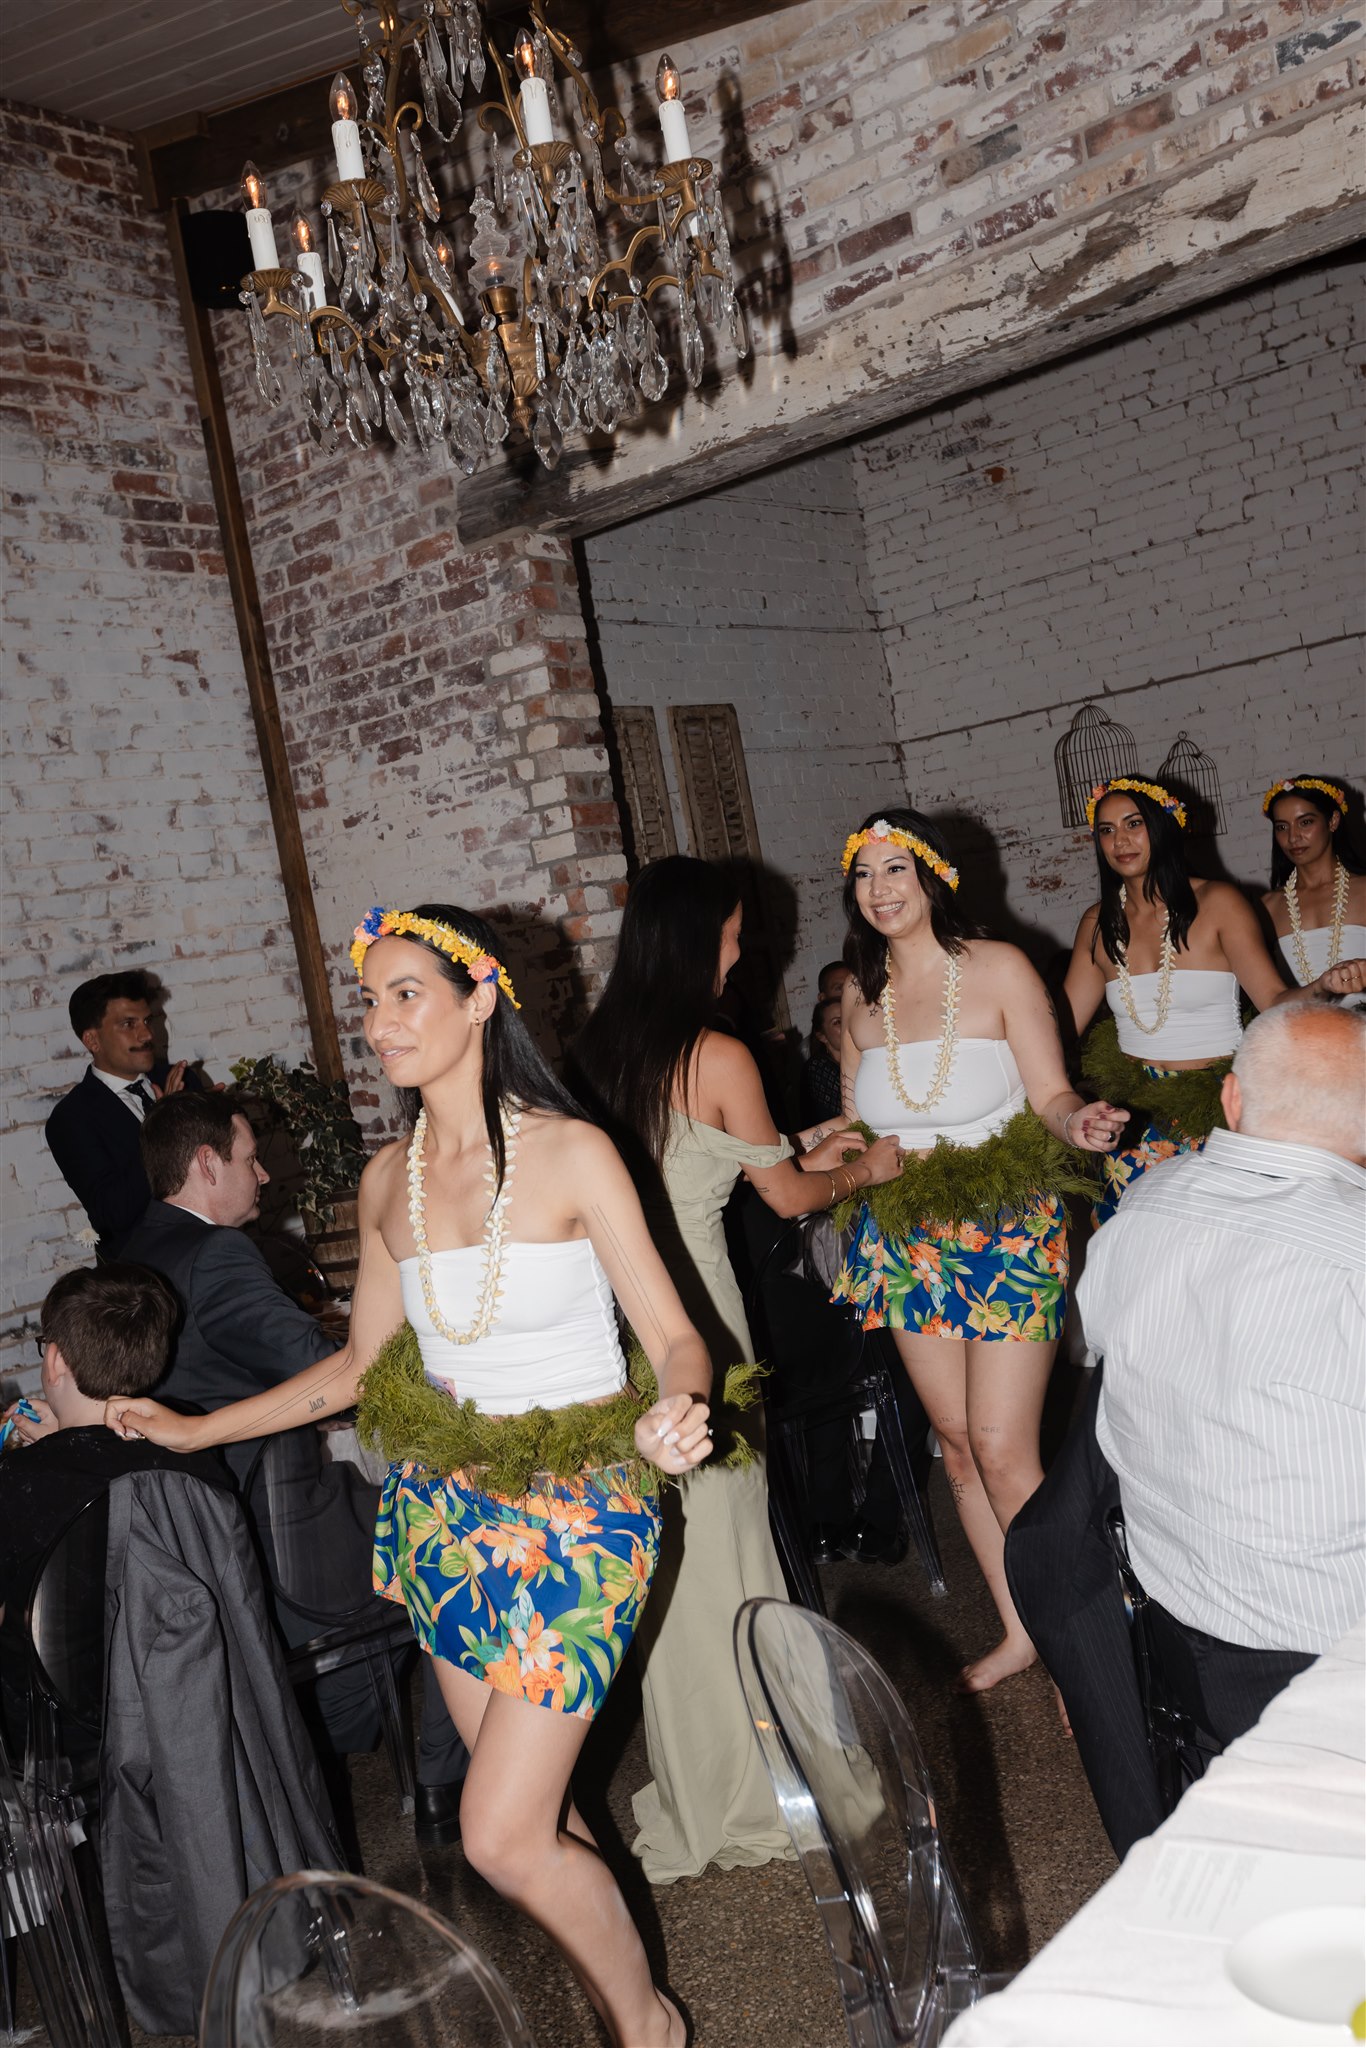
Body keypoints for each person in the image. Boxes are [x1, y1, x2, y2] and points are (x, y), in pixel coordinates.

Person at [107, 902, 713, 2048]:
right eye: (370, 998)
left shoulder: (575, 1151)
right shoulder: (389, 1181)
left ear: (479, 999)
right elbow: (351, 1368)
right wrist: (193, 1430)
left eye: (404, 994)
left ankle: (650, 2028)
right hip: (443, 1516)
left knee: (497, 1833)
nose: (377, 1021)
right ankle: (621, 2010)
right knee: (540, 1812)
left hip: (580, 1514)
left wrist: (674, 1408)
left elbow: (675, 1335)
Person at [573, 855, 903, 1881]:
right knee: (735, 1545)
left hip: (624, 1330)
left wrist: (809, 1135)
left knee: (681, 1553)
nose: (740, 947)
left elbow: (703, 1153)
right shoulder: (717, 1048)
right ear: (693, 938)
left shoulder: (594, 1050)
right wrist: (870, 1164)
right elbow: (793, 1201)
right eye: (730, 930)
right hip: (703, 1322)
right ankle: (765, 1781)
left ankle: (698, 1771)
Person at [1006, 1002, 1365, 1857]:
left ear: (1233, 1102)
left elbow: (1098, 1363)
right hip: (1326, 1661)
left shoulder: (1146, 1207)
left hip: (1176, 1635)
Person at [831, 810, 1126, 1691]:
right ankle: (1021, 1628)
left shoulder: (996, 968)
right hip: (905, 1238)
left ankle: (1091, 1648)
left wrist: (1079, 1120)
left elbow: (1050, 1091)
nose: (880, 890)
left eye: (897, 870)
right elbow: (859, 1125)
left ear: (934, 877)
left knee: (1004, 1446)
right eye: (864, 875)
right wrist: (822, 1145)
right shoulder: (860, 993)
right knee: (956, 1444)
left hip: (1004, 1228)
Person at [117, 1092, 465, 1827]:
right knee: (447, 1543)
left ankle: (350, 1735)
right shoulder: (217, 1253)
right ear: (207, 1165)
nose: (265, 1176)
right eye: (250, 1160)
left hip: (202, 1532)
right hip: (281, 1521)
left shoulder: (130, 1248)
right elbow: (334, 1376)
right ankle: (442, 1782)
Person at [1063, 776, 1366, 1224]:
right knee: (1138, 1248)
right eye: (1107, 830)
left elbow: (1275, 1000)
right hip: (1137, 1119)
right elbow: (1058, 1024)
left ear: (1163, 828)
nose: (1120, 841)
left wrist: (1323, 985)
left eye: (1133, 824)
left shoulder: (1219, 902)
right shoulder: (1097, 922)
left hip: (1219, 1109)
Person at [0, 1263, 235, 1752]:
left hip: (63, 1724)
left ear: (56, 1360)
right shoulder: (194, 1456)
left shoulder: (23, 1482)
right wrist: (63, 1440)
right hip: (191, 1699)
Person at [44, 969, 206, 1252]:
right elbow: (113, 1213)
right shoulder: (70, 1119)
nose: (146, 1034)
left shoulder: (182, 1081)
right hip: (147, 1278)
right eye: (128, 1024)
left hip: (213, 1247)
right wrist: (163, 1125)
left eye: (147, 1020)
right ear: (92, 1041)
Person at [1260, 775, 1366, 1008]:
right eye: (1282, 827)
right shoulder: (1267, 906)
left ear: (1333, 821)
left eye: (1305, 822)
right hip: (1298, 1037)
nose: (1293, 837)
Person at [800, 992, 844, 1124]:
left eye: (849, 1018)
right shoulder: (818, 1068)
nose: (847, 1025)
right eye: (837, 1022)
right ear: (822, 1036)